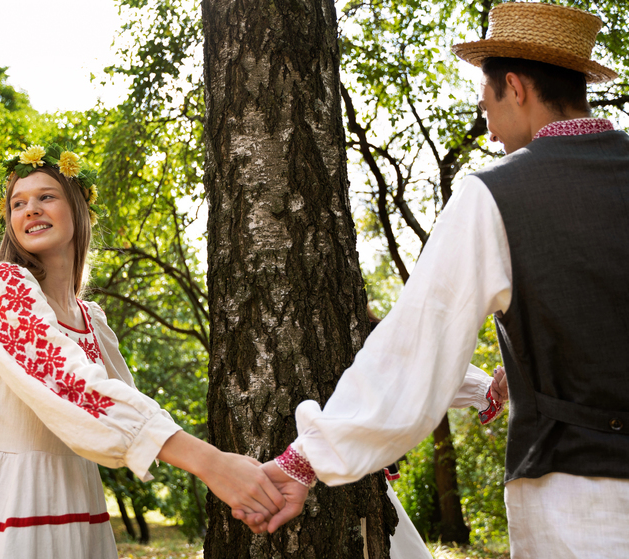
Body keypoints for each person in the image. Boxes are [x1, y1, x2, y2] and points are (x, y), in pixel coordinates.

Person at [237, 3, 629, 558]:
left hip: (577, 503)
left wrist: (305, 461)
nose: (487, 122)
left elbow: (416, 348)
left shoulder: (497, 195)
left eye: (486, 100)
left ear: (514, 87)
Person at [0, 145, 284, 558]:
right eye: (18, 203)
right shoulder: (3, 286)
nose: (30, 209)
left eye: (46, 196)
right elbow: (71, 384)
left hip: (77, 500)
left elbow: (121, 406)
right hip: (9, 501)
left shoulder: (91, 318)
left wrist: (238, 478)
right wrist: (212, 464)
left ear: (79, 211)